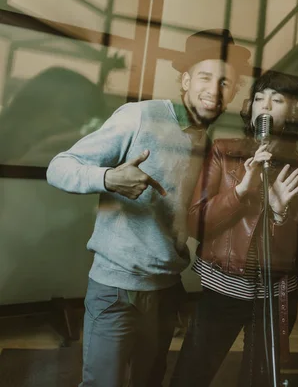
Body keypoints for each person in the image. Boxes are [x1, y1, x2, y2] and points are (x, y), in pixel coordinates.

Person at [46, 29, 251, 387]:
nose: (214, 90)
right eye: (205, 77)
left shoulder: (207, 143)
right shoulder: (140, 116)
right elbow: (59, 167)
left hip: (166, 289)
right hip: (115, 287)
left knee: (149, 381)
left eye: (225, 82)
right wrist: (109, 178)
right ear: (185, 80)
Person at [170, 71, 298, 387]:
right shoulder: (225, 150)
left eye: (277, 100)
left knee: (259, 380)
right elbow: (196, 221)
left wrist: (279, 214)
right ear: (250, 107)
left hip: (276, 295)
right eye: (261, 98)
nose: (266, 105)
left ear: (292, 112)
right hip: (223, 288)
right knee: (191, 376)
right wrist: (240, 192)